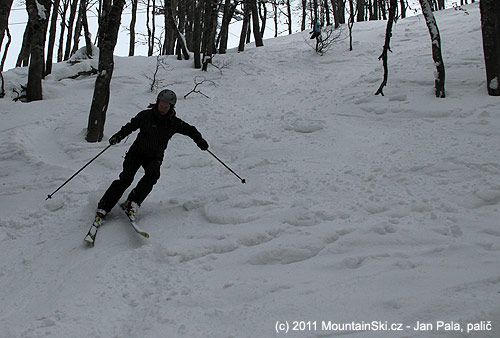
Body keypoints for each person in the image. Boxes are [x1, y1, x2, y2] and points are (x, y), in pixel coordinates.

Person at [92, 89, 209, 226]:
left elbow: (191, 130)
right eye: (162, 104)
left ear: (171, 107)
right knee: (126, 179)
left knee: (153, 174)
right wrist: (118, 136)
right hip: (136, 153)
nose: (163, 108)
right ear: (157, 102)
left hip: (154, 156)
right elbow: (130, 126)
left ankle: (132, 202)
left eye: (167, 106)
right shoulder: (146, 116)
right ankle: (104, 207)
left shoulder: (174, 123)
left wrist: (200, 141)